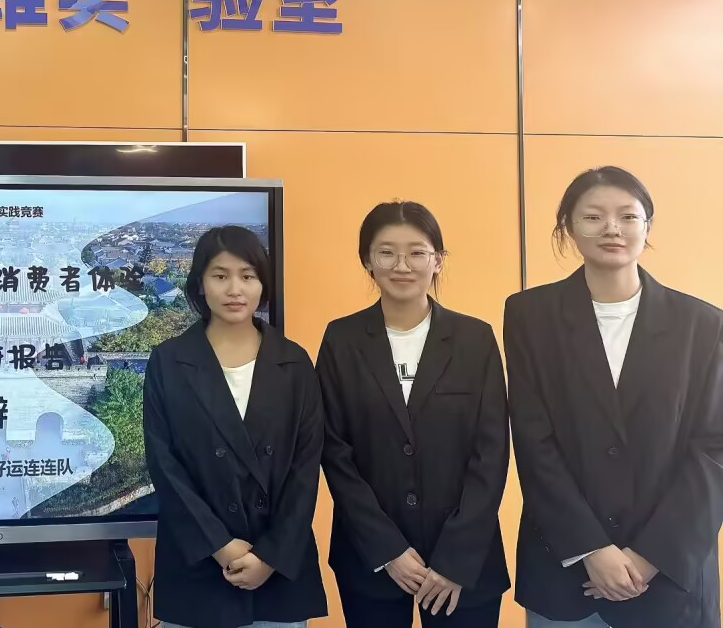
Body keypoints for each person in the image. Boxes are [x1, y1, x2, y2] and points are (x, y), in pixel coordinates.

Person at [505, 166, 723, 628]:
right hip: (564, 571)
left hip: (670, 577)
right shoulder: (529, 315)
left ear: (648, 226)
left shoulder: (703, 324)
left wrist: (650, 557)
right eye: (593, 217)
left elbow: (713, 449)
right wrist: (591, 548)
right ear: (568, 227)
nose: (612, 228)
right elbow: (533, 441)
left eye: (627, 216)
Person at [317, 201, 509, 627]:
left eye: (417, 252)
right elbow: (333, 450)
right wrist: (387, 549)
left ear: (438, 260)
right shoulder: (342, 339)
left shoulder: (474, 339)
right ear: (367, 260)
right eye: (386, 252)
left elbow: (491, 452)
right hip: (370, 558)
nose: (401, 265)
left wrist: (455, 557)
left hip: (464, 563)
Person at [143, 225, 326, 628]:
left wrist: (269, 557)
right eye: (220, 275)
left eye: (247, 275)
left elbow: (305, 469)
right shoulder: (168, 362)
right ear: (200, 284)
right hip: (198, 564)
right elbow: (163, 464)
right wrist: (221, 546)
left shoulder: (294, 363)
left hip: (277, 570)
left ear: (262, 284)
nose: (235, 289)